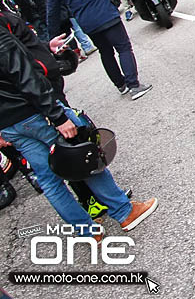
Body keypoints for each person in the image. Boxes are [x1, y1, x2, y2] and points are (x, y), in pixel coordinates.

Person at [0, 25, 158, 237]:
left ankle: (87, 231)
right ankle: (124, 211)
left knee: (49, 179)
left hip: (9, 124)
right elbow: (24, 75)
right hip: (32, 112)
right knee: (83, 157)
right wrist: (57, 115)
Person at [45, 0, 152, 99]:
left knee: (105, 52)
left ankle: (121, 85)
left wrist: (52, 37)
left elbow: (52, 11)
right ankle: (134, 85)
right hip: (106, 15)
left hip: (87, 22)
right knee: (123, 48)